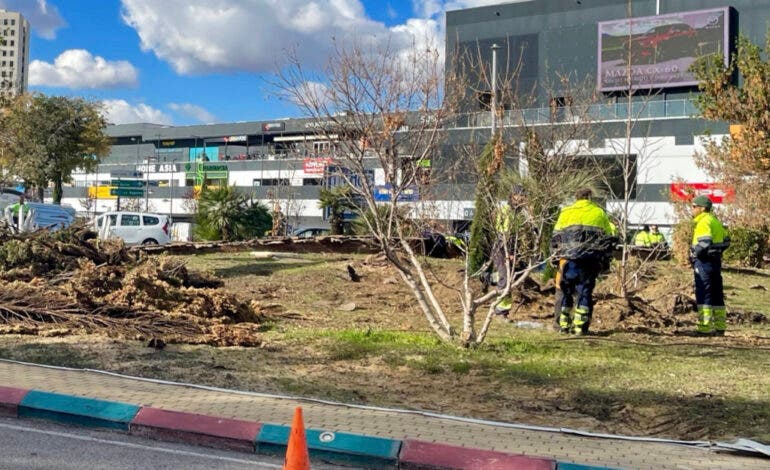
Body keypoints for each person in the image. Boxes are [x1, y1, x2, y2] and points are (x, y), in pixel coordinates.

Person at [551, 188, 615, 335]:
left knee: (565, 292)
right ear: (590, 197)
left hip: (568, 261)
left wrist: (555, 259)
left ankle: (563, 327)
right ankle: (580, 328)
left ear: (576, 197)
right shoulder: (599, 213)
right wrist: (605, 262)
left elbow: (555, 238)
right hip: (589, 262)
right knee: (584, 294)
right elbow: (608, 239)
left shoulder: (566, 212)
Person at [689, 195, 730, 336]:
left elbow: (704, 242)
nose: (692, 209)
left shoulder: (703, 222)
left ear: (702, 208)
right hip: (715, 262)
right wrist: (717, 251)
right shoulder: (715, 221)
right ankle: (720, 327)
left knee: (703, 293)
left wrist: (695, 253)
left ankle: (704, 328)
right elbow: (726, 240)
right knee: (717, 294)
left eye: (694, 207)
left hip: (703, 262)